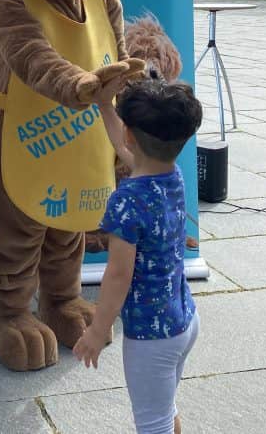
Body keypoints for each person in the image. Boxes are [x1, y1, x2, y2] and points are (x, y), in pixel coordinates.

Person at [73, 77, 203, 434]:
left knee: (152, 423)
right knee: (163, 409)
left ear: (131, 136)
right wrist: (104, 106)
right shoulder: (171, 174)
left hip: (151, 337)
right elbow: (128, 147)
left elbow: (118, 275)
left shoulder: (126, 200)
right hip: (184, 320)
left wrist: (98, 330)